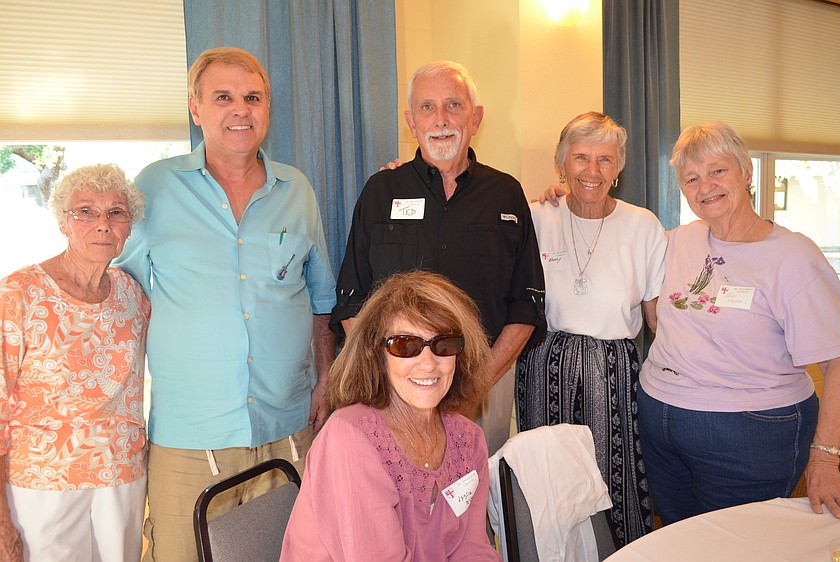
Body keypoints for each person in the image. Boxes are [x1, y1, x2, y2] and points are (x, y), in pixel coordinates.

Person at [114, 47, 337, 561]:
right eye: (223, 98)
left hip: (287, 427)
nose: (241, 110)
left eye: (253, 98)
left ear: (268, 107)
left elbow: (320, 297)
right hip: (190, 436)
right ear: (196, 109)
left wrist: (325, 377)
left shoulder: (296, 189)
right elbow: (120, 291)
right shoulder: (155, 186)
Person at [638, 121, 840, 524]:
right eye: (692, 178)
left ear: (746, 171)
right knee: (680, 539)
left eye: (718, 171)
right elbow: (618, 239)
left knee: (737, 543)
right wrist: (565, 197)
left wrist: (825, 457)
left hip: (748, 433)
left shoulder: (793, 256)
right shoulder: (678, 240)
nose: (706, 187)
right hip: (660, 422)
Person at [331, 60, 546, 456]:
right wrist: (394, 375)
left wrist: (475, 385)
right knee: (398, 502)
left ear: (476, 117)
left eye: (454, 105)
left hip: (482, 388)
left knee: (473, 500)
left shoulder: (506, 194)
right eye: (427, 108)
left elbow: (526, 305)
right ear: (410, 121)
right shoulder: (381, 190)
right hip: (395, 389)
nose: (441, 119)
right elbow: (351, 298)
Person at [516, 112, 665, 545]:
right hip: (545, 369)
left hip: (614, 372)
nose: (592, 171)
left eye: (605, 159)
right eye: (580, 158)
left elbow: (657, 320)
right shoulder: (536, 217)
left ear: (618, 168)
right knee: (549, 481)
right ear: (561, 164)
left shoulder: (643, 226)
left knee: (612, 477)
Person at [282, 270, 499, 561]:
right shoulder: (350, 439)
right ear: (377, 355)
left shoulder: (468, 439)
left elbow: (472, 549)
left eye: (443, 344)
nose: (428, 364)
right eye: (405, 345)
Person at [0, 164, 149, 562]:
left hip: (123, 476)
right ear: (62, 223)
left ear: (129, 228)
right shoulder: (19, 293)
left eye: (116, 213)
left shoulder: (133, 294)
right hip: (43, 484)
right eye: (85, 211)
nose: (102, 224)